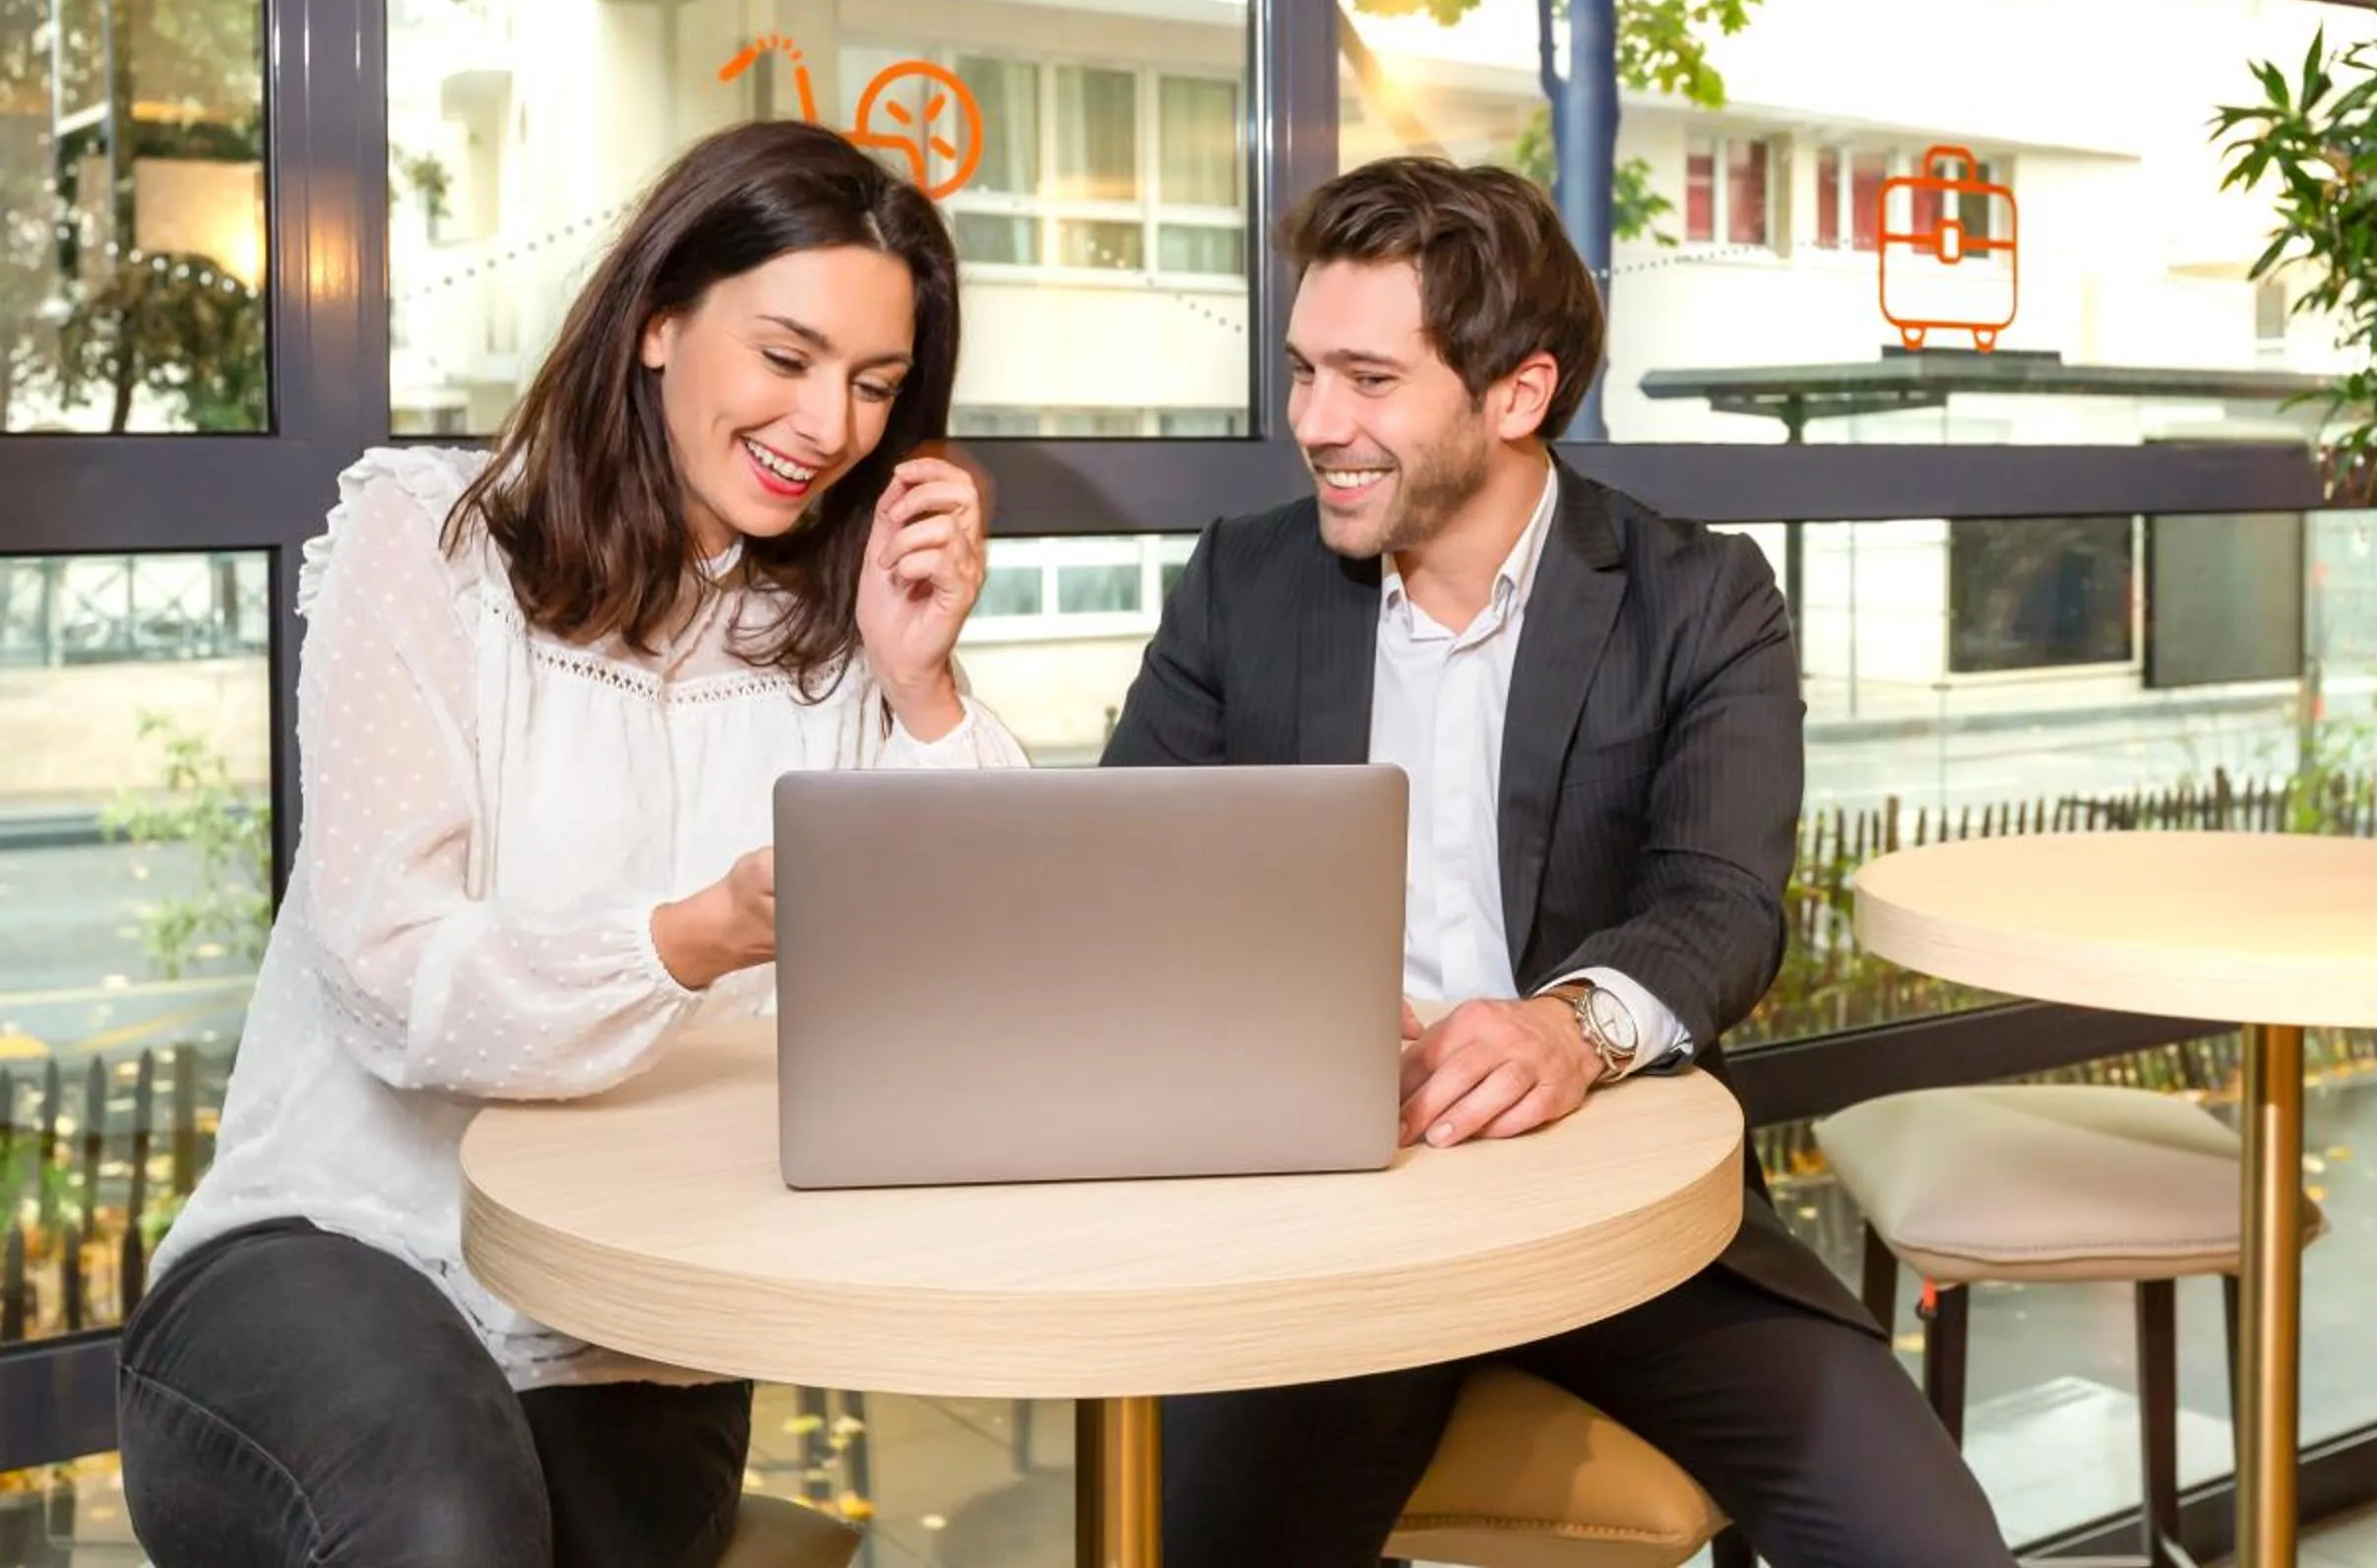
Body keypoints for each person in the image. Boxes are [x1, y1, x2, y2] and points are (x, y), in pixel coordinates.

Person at [117, 121, 1028, 1568]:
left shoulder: (844, 628)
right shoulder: (431, 544)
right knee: (446, 1521)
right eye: (786, 357)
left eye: (874, 384)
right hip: (335, 1249)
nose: (829, 425)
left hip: (627, 1326)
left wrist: (922, 687)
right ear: (659, 319)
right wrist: (691, 940)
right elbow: (391, 978)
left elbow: (989, 999)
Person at [1104, 157, 2015, 1568]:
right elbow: (1127, 885)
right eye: (1303, 373)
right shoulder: (1244, 580)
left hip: (1624, 1216)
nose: (1316, 423)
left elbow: (1721, 904)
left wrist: (1566, 1030)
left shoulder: (1701, 596)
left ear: (1517, 393)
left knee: (1930, 1553)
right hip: (1331, 1226)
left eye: (1368, 380)